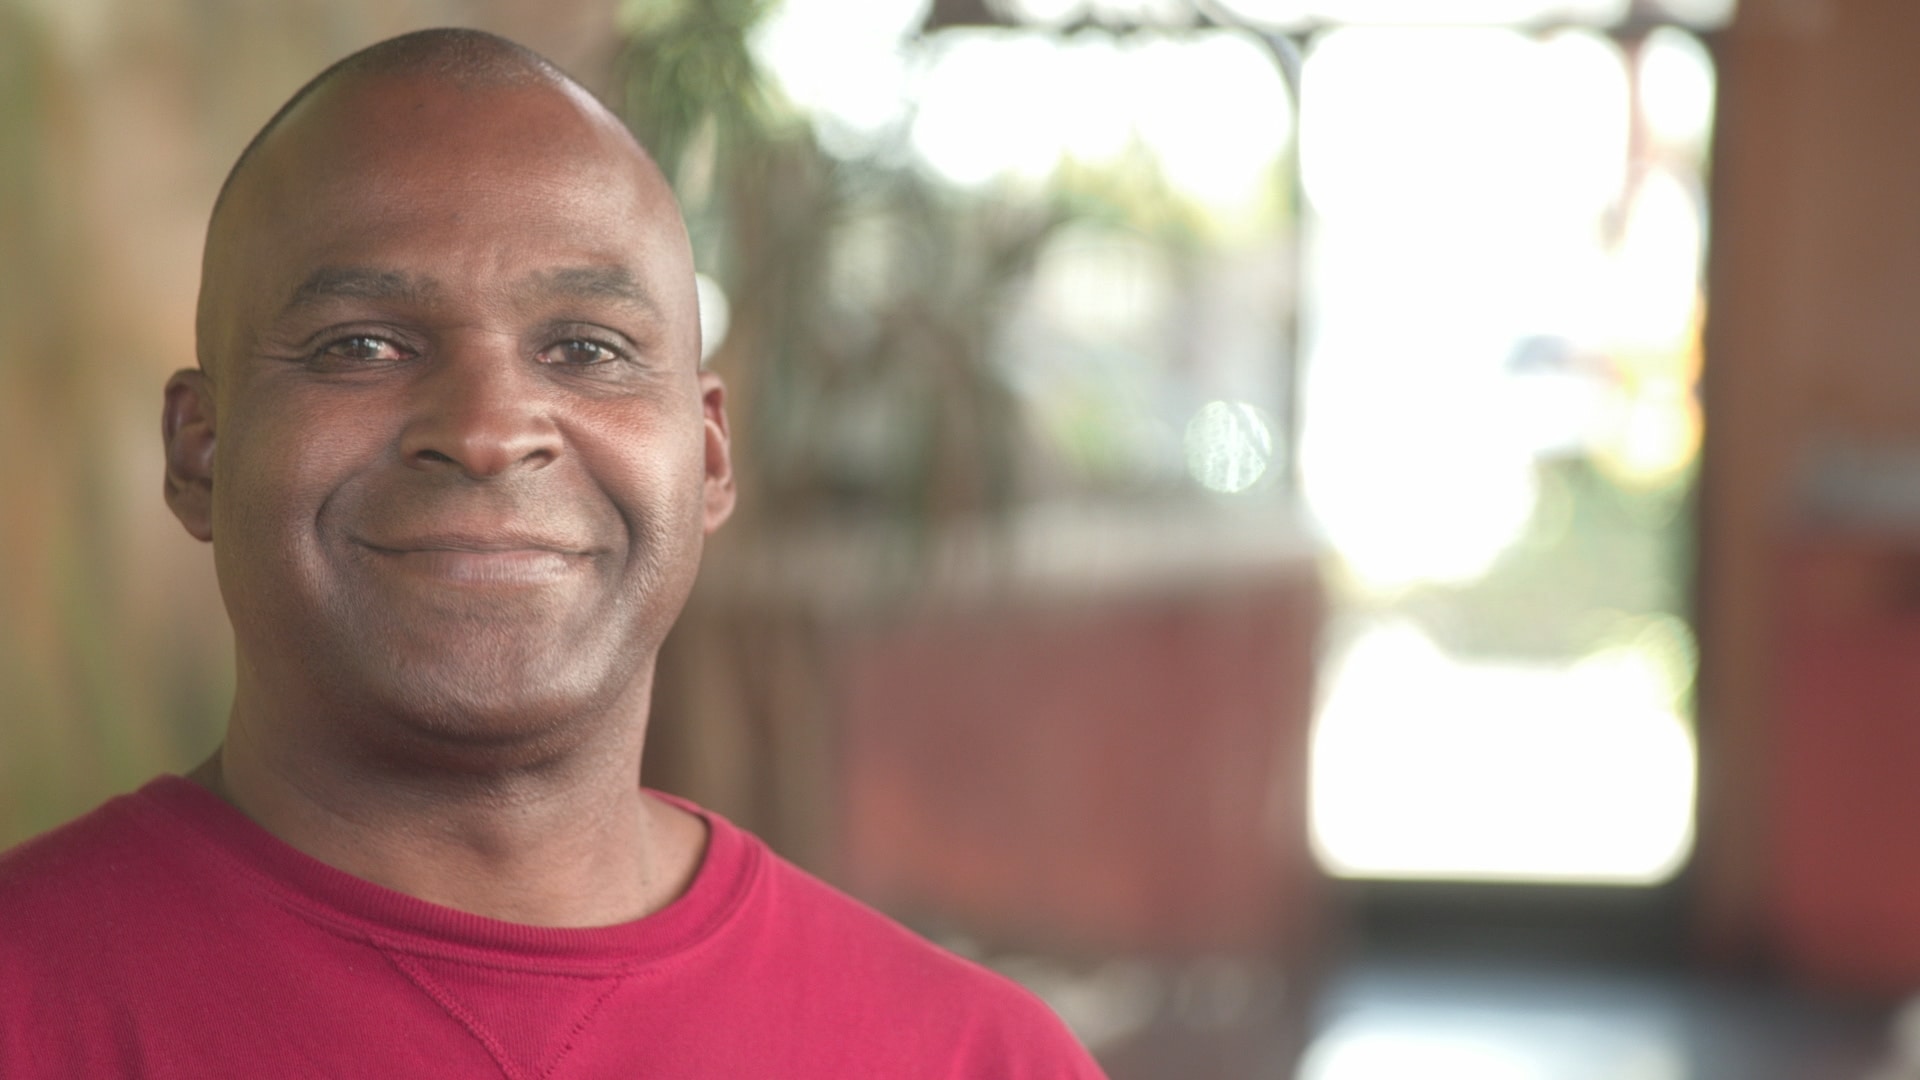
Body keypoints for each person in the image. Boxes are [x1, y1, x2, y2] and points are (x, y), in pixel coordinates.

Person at [0, 28, 1105, 1078]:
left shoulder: (977, 1059)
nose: (488, 431)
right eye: (362, 345)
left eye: (586, 348)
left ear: (707, 457)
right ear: (198, 451)